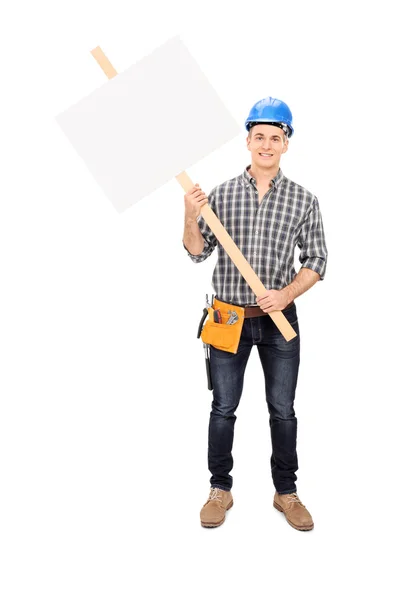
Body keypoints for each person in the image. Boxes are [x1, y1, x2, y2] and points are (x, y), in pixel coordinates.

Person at [182, 96, 328, 531]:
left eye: (275, 137)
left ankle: (286, 493)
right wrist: (190, 215)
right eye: (259, 136)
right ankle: (219, 489)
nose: (266, 144)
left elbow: (317, 260)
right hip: (228, 320)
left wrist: (286, 294)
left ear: (286, 144)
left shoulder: (304, 200)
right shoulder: (221, 194)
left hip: (280, 323)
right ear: (248, 140)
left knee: (283, 409)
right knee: (223, 407)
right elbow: (196, 252)